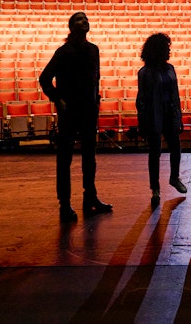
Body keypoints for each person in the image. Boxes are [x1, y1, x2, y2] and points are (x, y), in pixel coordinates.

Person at [39, 12, 112, 224]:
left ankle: (91, 198)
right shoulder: (63, 52)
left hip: (89, 110)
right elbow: (45, 78)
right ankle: (65, 204)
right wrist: (58, 99)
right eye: (79, 19)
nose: (85, 22)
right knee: (65, 160)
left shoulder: (93, 50)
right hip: (69, 111)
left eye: (86, 19)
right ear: (71, 26)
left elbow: (95, 78)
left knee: (90, 159)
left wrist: (96, 100)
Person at [136, 32, 186, 209]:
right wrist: (142, 121)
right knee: (155, 152)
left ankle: (174, 177)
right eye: (166, 48)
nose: (169, 51)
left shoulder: (170, 69)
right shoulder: (145, 73)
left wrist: (178, 116)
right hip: (154, 115)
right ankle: (155, 188)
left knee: (176, 147)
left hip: (169, 113)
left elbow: (175, 93)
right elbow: (141, 98)